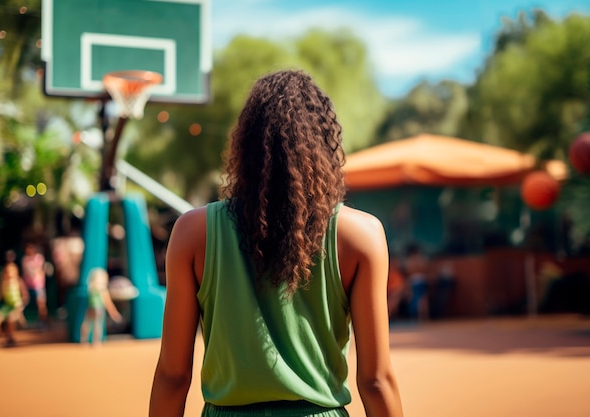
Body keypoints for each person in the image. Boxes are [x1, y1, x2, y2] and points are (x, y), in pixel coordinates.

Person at [149, 70, 404, 417]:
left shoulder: (192, 233)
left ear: (245, 146)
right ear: (323, 145)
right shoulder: (362, 235)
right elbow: (375, 381)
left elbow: (173, 376)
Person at [0, 262, 29, 347]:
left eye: (11, 271)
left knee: (10, 320)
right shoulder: (2, 283)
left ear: (15, 272)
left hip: (16, 306)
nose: (9, 274)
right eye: (7, 271)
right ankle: (7, 338)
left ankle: (11, 338)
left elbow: (25, 295)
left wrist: (21, 305)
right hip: (7, 307)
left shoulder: (18, 281)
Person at [80, 268, 122, 346]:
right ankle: (95, 341)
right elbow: (108, 302)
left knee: (88, 323)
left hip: (91, 308)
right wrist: (114, 313)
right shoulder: (101, 289)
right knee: (96, 325)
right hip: (97, 309)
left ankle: (84, 340)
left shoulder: (91, 287)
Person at [21, 242, 48, 327]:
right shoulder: (25, 260)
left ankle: (44, 322)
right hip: (28, 286)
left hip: (38, 286)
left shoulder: (39, 258)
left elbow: (41, 271)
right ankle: (22, 324)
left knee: (41, 304)